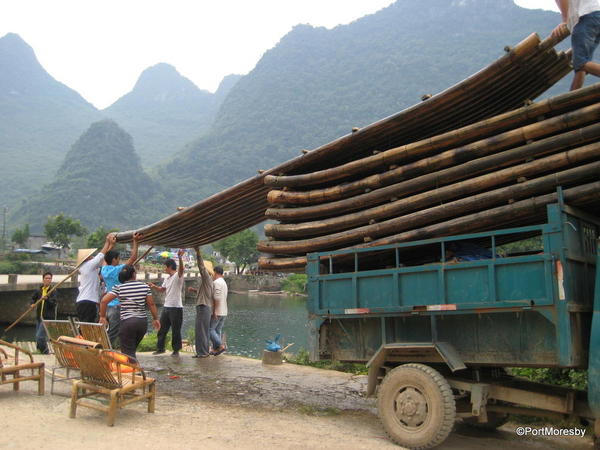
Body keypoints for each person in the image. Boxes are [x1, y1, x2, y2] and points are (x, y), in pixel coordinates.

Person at [99, 265, 160, 358]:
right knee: (131, 350)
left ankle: (135, 370)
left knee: (128, 352)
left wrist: (102, 317)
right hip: (142, 323)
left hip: (127, 322)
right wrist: (155, 319)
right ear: (134, 274)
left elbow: (104, 301)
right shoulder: (145, 287)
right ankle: (134, 369)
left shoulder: (119, 287)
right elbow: (151, 304)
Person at [100, 232, 142, 348]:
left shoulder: (104, 270)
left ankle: (107, 348)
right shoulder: (117, 270)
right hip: (117, 306)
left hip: (108, 306)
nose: (119, 260)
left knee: (110, 331)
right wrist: (135, 241)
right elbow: (133, 258)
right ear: (114, 259)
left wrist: (111, 244)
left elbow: (104, 258)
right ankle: (105, 351)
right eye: (118, 258)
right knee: (113, 332)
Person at [552, 0, 600, 90]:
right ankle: (571, 101)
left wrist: (565, 21)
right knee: (581, 68)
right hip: (595, 15)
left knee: (580, 63)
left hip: (585, 17)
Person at [149, 249, 185, 356]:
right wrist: (154, 286)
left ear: (169, 267)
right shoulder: (167, 278)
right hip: (167, 306)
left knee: (176, 330)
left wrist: (179, 258)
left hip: (176, 307)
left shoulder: (178, 277)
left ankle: (176, 350)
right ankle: (160, 348)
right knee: (162, 328)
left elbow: (181, 269)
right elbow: (162, 289)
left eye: (165, 266)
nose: (164, 269)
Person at [75, 233, 116, 323]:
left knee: (86, 325)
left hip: (85, 301)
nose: (92, 257)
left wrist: (111, 245)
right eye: (90, 256)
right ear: (87, 258)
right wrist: (107, 242)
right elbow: (101, 255)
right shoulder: (88, 265)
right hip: (87, 301)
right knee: (88, 326)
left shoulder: (89, 268)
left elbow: (104, 259)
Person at [188, 248, 213, 358]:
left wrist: (198, 254)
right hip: (204, 307)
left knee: (201, 331)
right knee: (202, 330)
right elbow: (203, 292)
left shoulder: (207, 278)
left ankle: (202, 353)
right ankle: (203, 352)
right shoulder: (207, 282)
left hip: (203, 307)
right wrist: (194, 290)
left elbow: (201, 267)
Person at [30, 272, 57, 354]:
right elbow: (32, 298)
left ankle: (45, 352)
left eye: (50, 278)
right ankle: (40, 351)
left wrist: (47, 299)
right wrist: (32, 304)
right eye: (46, 278)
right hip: (39, 317)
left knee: (40, 336)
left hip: (47, 318)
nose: (48, 280)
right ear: (43, 279)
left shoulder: (53, 291)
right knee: (37, 336)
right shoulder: (39, 290)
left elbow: (54, 304)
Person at [209, 266, 228, 356]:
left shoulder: (216, 282)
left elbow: (216, 297)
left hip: (218, 311)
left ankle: (221, 346)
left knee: (210, 330)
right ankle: (216, 349)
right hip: (224, 310)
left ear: (215, 272)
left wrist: (214, 311)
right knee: (217, 330)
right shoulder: (224, 282)